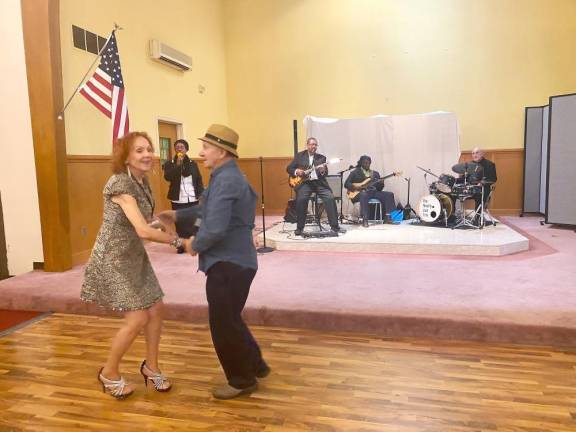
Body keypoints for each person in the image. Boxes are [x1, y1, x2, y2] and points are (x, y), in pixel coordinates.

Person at [157, 124, 269, 400]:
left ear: (221, 151)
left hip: (229, 263)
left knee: (222, 324)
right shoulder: (225, 176)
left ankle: (241, 380)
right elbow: (207, 211)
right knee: (230, 319)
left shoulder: (227, 180)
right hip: (237, 262)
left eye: (206, 147)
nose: (201, 152)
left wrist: (192, 244)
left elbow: (215, 227)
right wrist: (177, 215)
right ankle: (255, 364)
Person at [81, 132, 184, 399]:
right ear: (125, 156)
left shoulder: (142, 181)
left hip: (133, 256)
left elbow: (147, 222)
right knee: (137, 316)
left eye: (149, 149)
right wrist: (178, 242)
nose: (147, 154)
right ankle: (109, 373)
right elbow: (142, 230)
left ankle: (151, 367)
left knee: (156, 308)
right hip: (113, 259)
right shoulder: (119, 184)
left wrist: (168, 223)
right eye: (139, 150)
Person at [286, 137, 344, 236]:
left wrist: (322, 171)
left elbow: (325, 174)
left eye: (315, 145)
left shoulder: (321, 158)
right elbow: (289, 168)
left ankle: (335, 227)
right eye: (312, 144)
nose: (314, 146)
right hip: (305, 184)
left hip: (319, 183)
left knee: (330, 198)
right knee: (301, 200)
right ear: (307, 145)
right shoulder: (299, 156)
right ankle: (300, 228)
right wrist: (297, 171)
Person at [162, 139, 204, 253]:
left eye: (182, 147)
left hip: (192, 197)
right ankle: (181, 245)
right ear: (175, 149)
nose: (179, 148)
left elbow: (198, 179)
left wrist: (201, 194)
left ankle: (194, 243)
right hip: (178, 198)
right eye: (177, 147)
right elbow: (168, 177)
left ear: (186, 149)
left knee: (194, 221)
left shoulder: (193, 164)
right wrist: (178, 165)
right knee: (180, 222)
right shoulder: (169, 163)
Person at [344, 155, 396, 227]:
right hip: (359, 193)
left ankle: (388, 217)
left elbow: (379, 188)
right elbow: (346, 184)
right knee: (363, 195)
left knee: (389, 194)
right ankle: (365, 219)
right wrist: (356, 187)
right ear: (361, 163)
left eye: (368, 163)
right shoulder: (355, 172)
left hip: (373, 192)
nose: (366, 164)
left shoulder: (375, 173)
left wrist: (381, 184)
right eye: (365, 163)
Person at [470, 147, 497, 213]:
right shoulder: (469, 165)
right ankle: (451, 216)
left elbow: (493, 179)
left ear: (482, 154)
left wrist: (482, 183)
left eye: (477, 152)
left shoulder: (489, 164)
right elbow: (465, 178)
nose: (474, 155)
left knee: (479, 194)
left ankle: (478, 217)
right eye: (473, 153)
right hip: (470, 189)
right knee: (453, 193)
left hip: (483, 189)